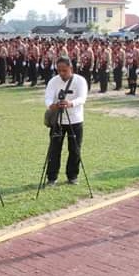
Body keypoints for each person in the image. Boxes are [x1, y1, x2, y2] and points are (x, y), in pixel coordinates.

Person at [44, 57, 88, 185]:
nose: (62, 73)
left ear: (71, 68)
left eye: (64, 70)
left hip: (75, 119)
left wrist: (70, 103)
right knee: (54, 149)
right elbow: (48, 98)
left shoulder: (80, 81)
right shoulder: (53, 81)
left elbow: (82, 98)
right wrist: (53, 105)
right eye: (59, 70)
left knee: (75, 149)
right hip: (57, 120)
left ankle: (72, 176)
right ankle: (52, 177)